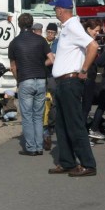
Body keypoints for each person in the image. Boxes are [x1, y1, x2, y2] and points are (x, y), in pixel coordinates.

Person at [46, 0, 98, 177]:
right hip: (63, 82)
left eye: (55, 9)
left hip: (70, 81)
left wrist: (84, 69)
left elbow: (93, 46)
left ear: (61, 10)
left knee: (75, 124)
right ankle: (67, 162)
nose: (55, 12)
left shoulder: (74, 26)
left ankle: (88, 164)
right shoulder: (68, 27)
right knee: (61, 125)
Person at [8, 12, 52, 156]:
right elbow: (51, 59)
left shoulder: (14, 43)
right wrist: (41, 65)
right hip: (40, 79)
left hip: (25, 79)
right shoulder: (40, 40)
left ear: (19, 25)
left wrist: (18, 79)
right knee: (38, 116)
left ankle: (31, 147)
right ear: (32, 24)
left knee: (27, 116)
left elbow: (13, 66)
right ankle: (39, 146)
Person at [43, 22, 59, 150]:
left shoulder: (57, 43)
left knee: (53, 100)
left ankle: (52, 124)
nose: (50, 35)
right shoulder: (42, 41)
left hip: (52, 74)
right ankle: (44, 124)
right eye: (48, 32)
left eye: (52, 33)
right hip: (43, 74)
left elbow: (53, 57)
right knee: (43, 100)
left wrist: (42, 63)